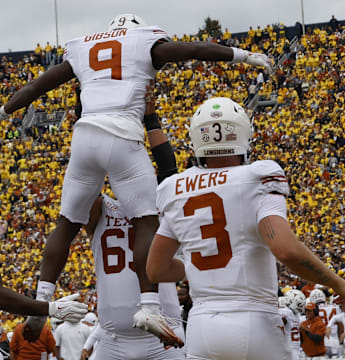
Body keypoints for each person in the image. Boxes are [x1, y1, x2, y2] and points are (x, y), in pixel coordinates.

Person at [0, 12, 272, 346]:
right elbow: (191, 49)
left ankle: (43, 297)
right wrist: (243, 55)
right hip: (123, 135)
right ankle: (149, 305)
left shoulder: (83, 47)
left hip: (84, 136)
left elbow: (36, 86)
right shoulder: (143, 42)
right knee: (147, 220)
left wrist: (4, 111)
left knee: (66, 222)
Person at [146, 97, 345, 359]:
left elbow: (155, 269)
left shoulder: (173, 188)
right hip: (254, 321)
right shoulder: (258, 176)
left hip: (201, 326)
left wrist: (201, 263)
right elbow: (286, 251)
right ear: (243, 132)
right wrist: (336, 282)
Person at [78, 85, 185, 359]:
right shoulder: (100, 208)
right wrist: (91, 128)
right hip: (113, 338)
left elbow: (169, 172)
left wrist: (151, 120)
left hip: (163, 333)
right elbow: (85, 175)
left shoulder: (159, 202)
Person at [279, 289, 306, 360]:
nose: (301, 306)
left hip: (293, 348)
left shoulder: (294, 313)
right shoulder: (288, 312)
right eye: (299, 304)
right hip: (292, 348)